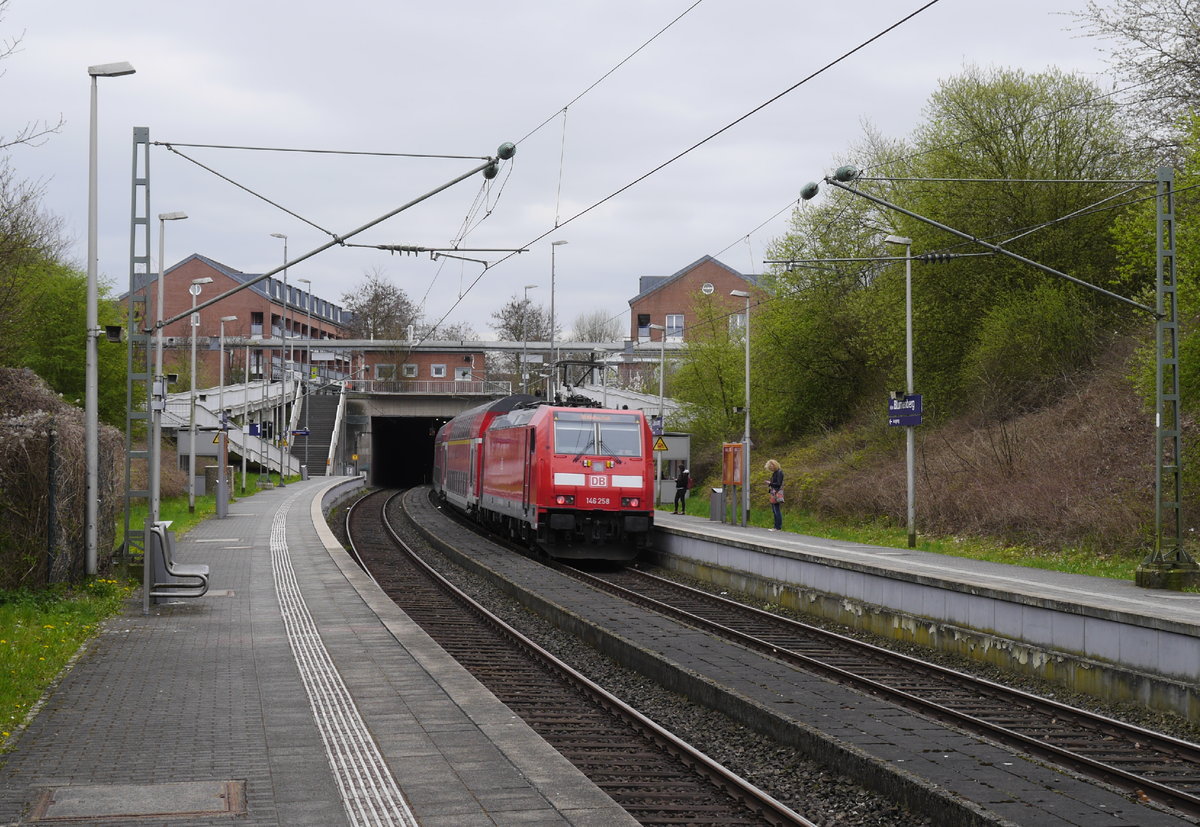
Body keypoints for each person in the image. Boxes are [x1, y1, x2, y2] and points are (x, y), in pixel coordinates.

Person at [765, 459, 784, 530]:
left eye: (771, 466)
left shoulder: (779, 472)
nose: (770, 468)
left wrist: (770, 483)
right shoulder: (775, 473)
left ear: (775, 465)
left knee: (776, 509)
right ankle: (776, 526)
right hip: (773, 492)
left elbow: (778, 484)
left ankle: (778, 527)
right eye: (769, 467)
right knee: (774, 509)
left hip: (776, 492)